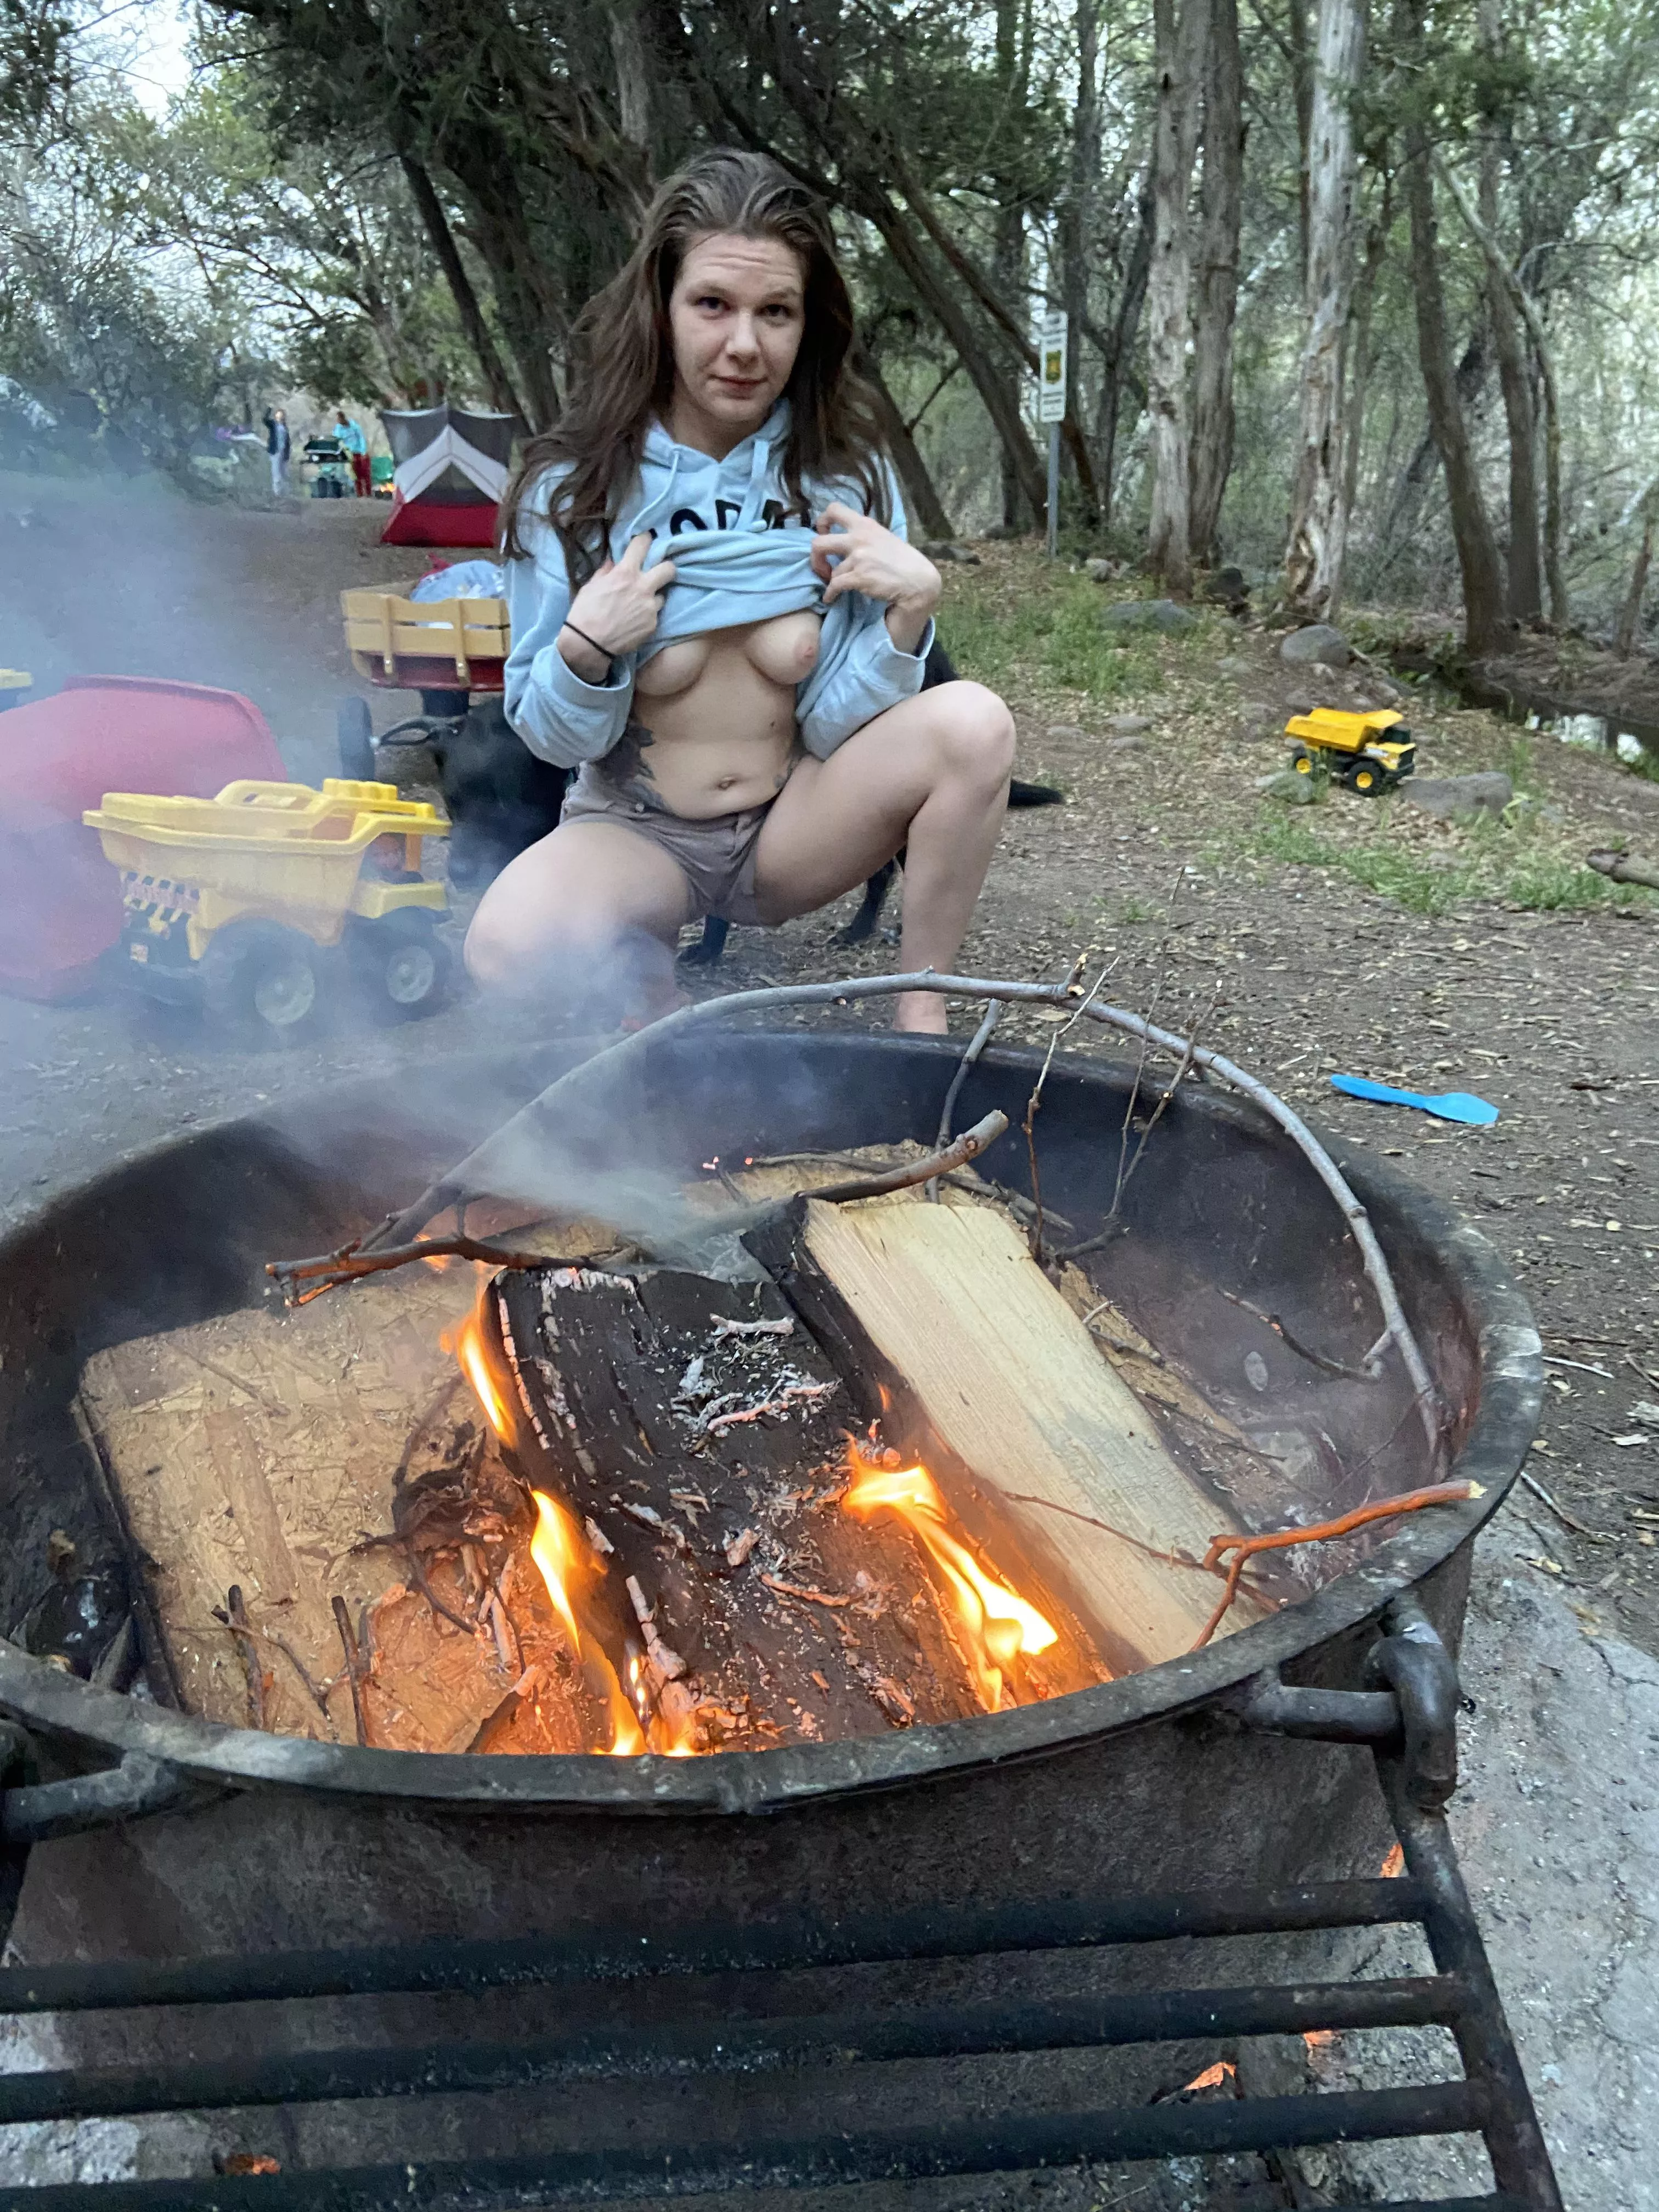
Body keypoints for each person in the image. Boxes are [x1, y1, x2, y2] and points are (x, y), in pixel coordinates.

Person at [466, 148, 1015, 1035]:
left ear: (807, 324)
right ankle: (651, 996)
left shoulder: (843, 479)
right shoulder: (573, 490)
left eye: (775, 312)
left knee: (975, 722)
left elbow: (833, 725)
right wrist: (583, 650)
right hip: (638, 833)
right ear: (661, 307)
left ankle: (924, 1020)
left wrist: (906, 618)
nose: (744, 345)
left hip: (791, 828)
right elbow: (552, 736)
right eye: (712, 304)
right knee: (503, 950)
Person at [335, 407, 371, 496]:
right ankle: (360, 493)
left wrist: (363, 451)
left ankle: (369, 493)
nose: (338, 421)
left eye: (339, 419)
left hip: (360, 452)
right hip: (349, 453)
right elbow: (337, 440)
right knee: (355, 474)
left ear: (343, 418)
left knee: (365, 473)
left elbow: (361, 438)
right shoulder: (339, 429)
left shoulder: (354, 426)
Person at [262, 407, 290, 498]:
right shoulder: (273, 425)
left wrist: (287, 454)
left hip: (283, 453)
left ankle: (284, 493)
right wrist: (268, 410)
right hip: (275, 452)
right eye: (278, 414)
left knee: (284, 473)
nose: (280, 416)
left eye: (281, 414)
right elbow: (265, 420)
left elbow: (288, 442)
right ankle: (276, 493)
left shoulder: (285, 427)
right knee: (276, 472)